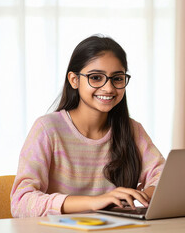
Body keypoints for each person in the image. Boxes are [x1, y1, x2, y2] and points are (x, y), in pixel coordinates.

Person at [10, 35, 165, 217]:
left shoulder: (132, 130)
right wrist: (94, 202)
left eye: (117, 78)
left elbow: (166, 177)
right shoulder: (47, 129)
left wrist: (137, 197)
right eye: (96, 78)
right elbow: (21, 202)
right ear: (74, 80)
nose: (108, 88)